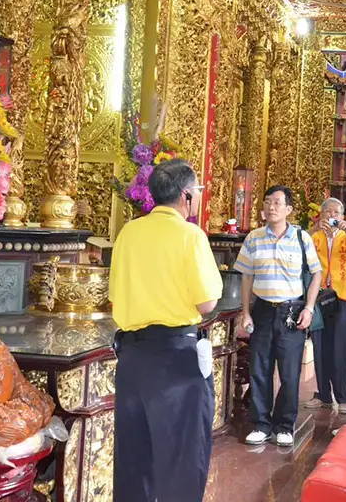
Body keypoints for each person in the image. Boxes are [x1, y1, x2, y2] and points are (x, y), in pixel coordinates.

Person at [110, 159, 222, 501]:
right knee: (181, 460)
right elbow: (206, 303)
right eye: (199, 191)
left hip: (131, 361)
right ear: (186, 196)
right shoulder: (190, 236)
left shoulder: (129, 232)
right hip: (176, 362)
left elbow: (115, 297)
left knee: (133, 460)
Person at [235, 185, 323, 447]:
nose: (271, 207)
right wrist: (246, 311)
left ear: (289, 209)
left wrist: (308, 307)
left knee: (289, 371)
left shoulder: (301, 237)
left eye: (276, 203)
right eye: (267, 202)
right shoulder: (254, 238)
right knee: (259, 369)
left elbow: (316, 272)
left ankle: (284, 425)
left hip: (291, 311)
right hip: (262, 309)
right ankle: (261, 424)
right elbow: (246, 275)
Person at [306, 198, 346, 412]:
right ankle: (323, 394)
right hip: (317, 298)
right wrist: (314, 227)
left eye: (336, 213)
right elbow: (297, 246)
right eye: (328, 212)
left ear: (342, 217)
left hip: (341, 298)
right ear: (321, 214)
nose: (332, 216)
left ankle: (343, 396)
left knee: (340, 347)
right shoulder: (313, 235)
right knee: (320, 345)